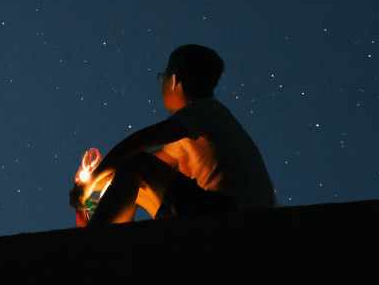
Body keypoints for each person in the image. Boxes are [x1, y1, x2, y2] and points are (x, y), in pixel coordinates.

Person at [70, 44, 276, 225]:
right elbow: (143, 169)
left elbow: (135, 145)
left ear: (174, 80)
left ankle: (94, 240)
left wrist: (90, 183)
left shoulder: (204, 111)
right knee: (133, 178)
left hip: (233, 214)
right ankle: (101, 233)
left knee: (135, 162)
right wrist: (90, 185)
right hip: (218, 209)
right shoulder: (197, 124)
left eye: (163, 77)